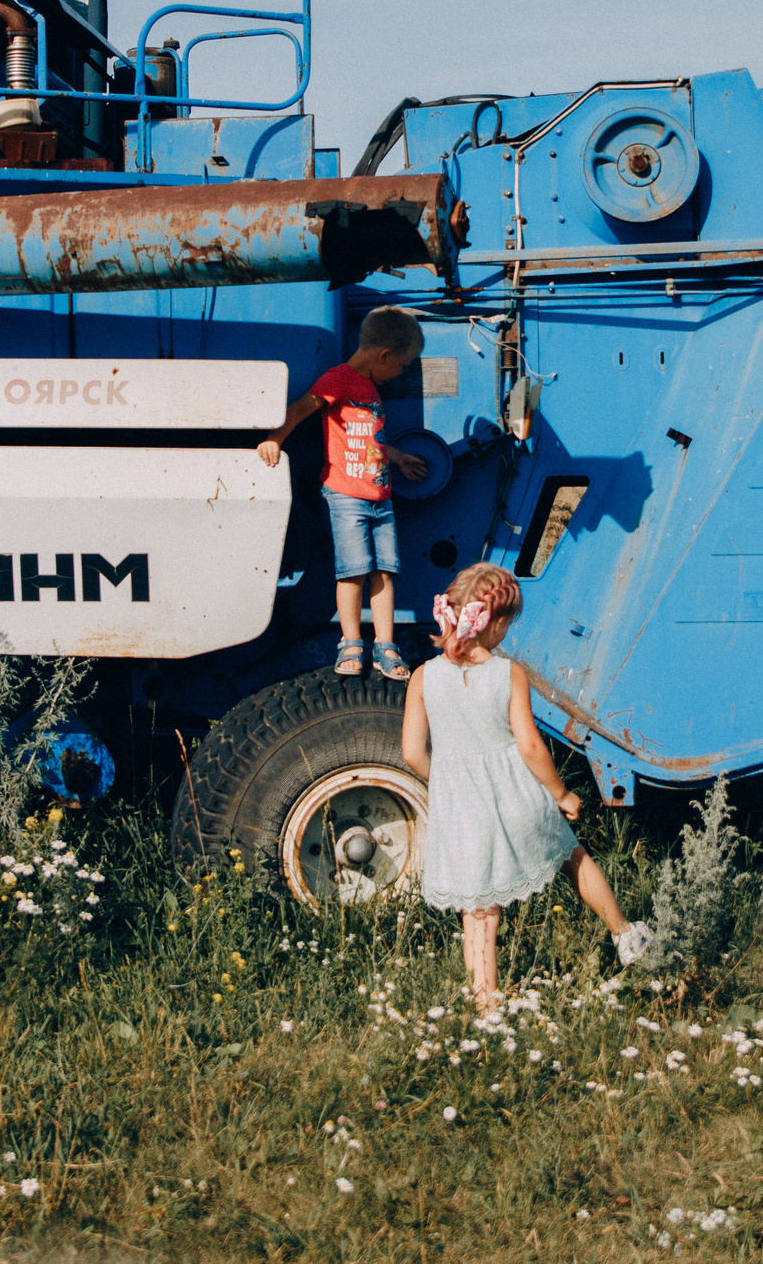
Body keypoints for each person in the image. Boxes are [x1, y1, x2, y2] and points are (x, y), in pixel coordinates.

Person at [402, 562, 651, 1016]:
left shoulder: (423, 678)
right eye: (508, 623)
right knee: (569, 855)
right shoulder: (507, 673)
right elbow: (531, 745)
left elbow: (412, 755)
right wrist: (560, 793)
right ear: (494, 623)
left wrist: (450, 781)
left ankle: (487, 1011)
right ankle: (626, 935)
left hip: (461, 807)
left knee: (479, 911)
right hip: (515, 794)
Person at [257, 306, 430, 679]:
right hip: (346, 495)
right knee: (352, 571)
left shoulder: (370, 392)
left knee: (384, 571)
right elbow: (303, 408)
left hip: (380, 497)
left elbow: (371, 442)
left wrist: (398, 459)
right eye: (401, 365)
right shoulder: (339, 380)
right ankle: (351, 641)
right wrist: (274, 439)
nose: (400, 373)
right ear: (384, 355)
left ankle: (386, 645)